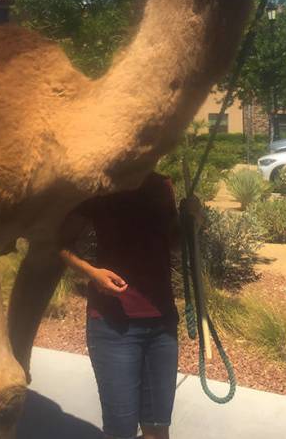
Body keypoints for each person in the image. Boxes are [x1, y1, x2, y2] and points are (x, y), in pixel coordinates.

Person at [59, 171, 182, 439]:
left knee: (158, 427)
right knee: (121, 431)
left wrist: (192, 221)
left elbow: (174, 243)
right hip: (113, 328)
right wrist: (92, 273)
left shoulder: (161, 186)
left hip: (162, 326)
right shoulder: (99, 185)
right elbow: (60, 244)